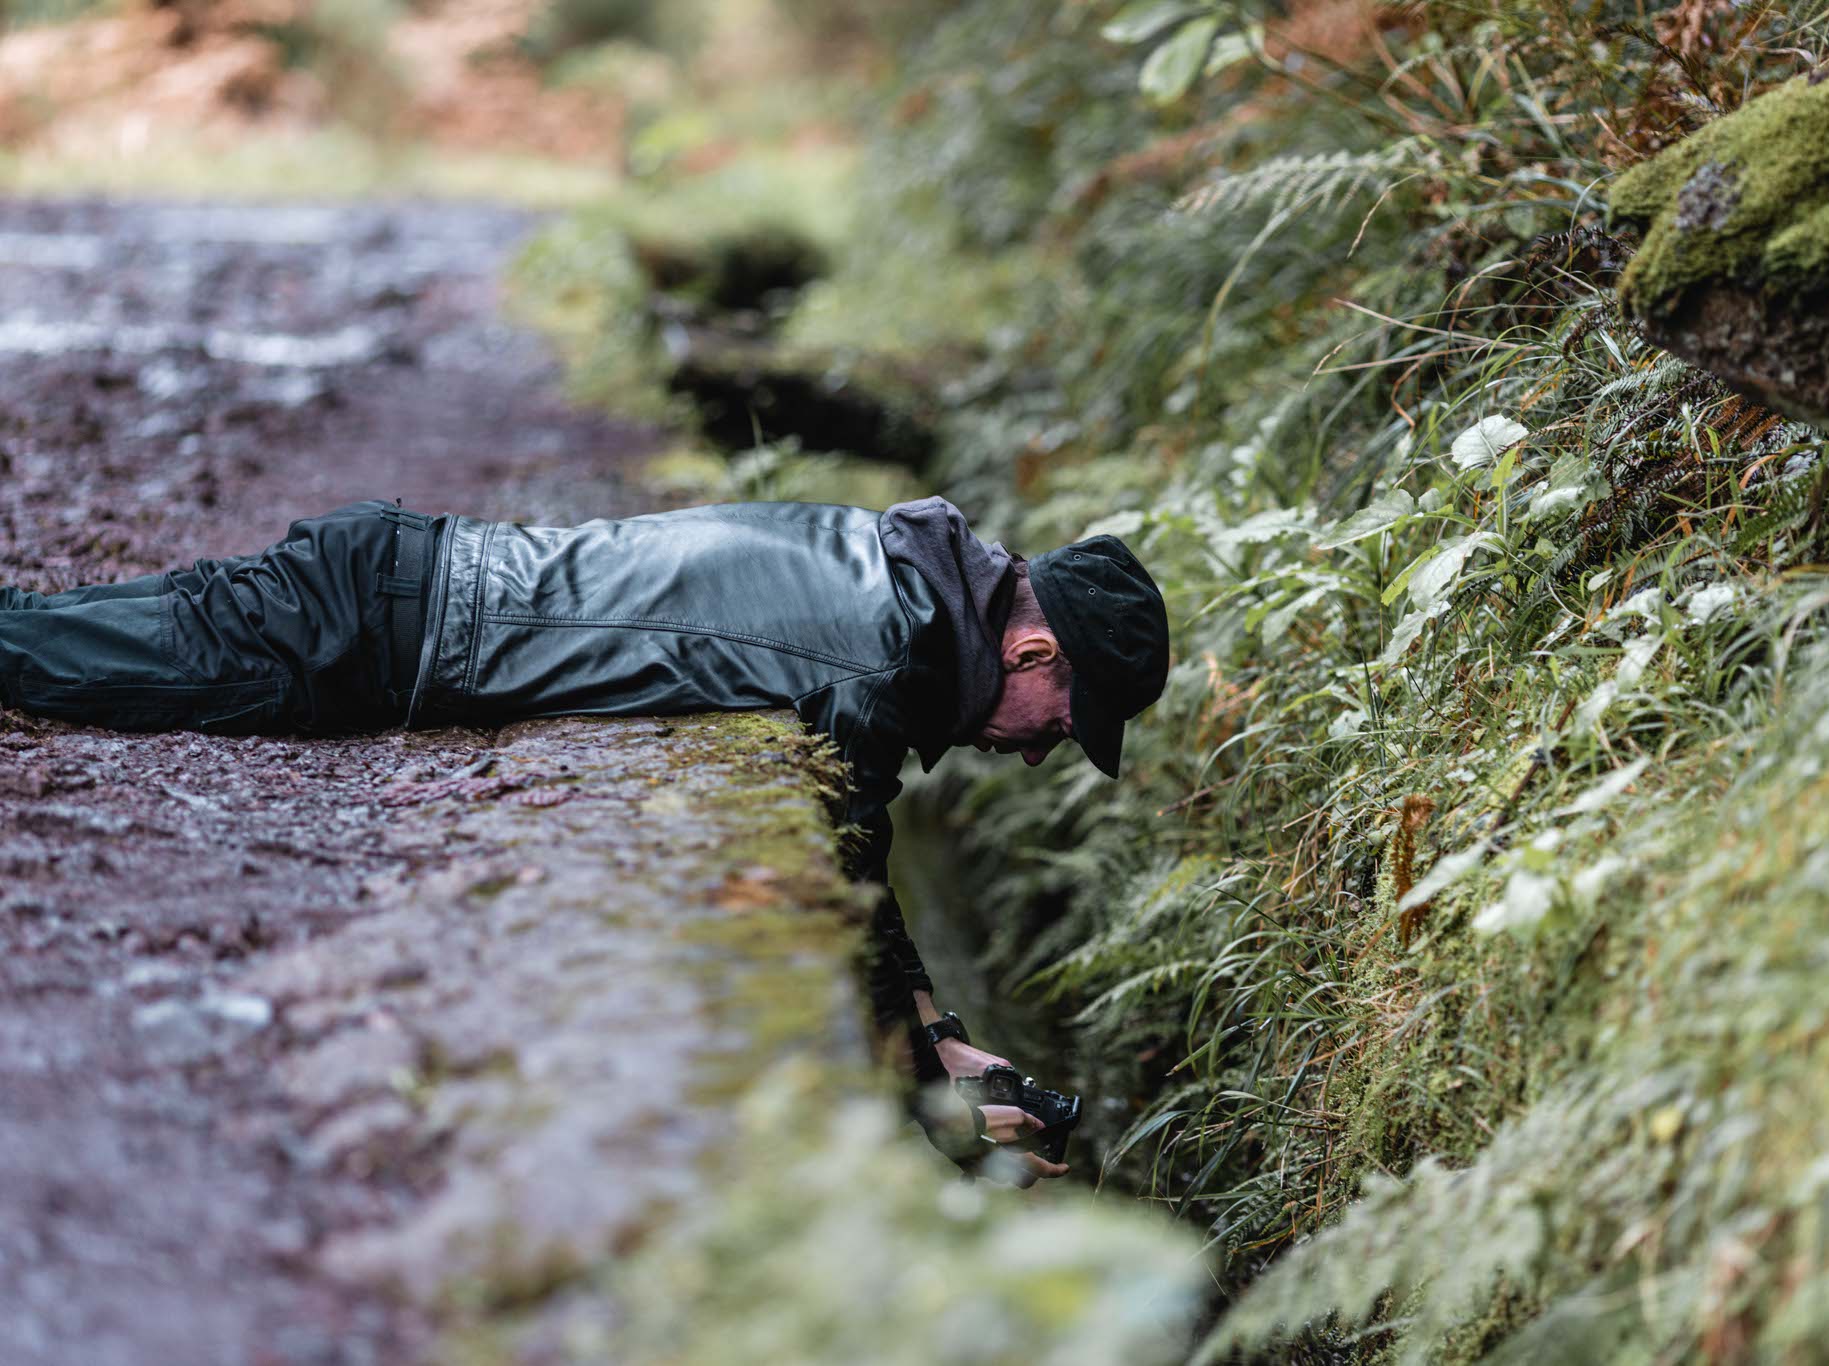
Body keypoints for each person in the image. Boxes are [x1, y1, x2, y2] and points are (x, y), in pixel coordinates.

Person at [0, 495, 1171, 1181]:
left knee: (58, 641)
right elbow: (850, 902)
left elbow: (863, 874)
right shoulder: (877, 660)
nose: (1037, 749)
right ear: (1028, 654)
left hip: (396, 590)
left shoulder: (896, 574)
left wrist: (941, 1040)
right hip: (380, 636)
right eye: (1064, 722)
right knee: (61, 667)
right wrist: (930, 1073)